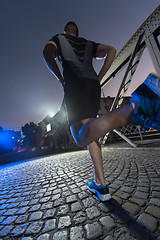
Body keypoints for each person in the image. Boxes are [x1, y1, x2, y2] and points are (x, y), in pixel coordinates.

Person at [43, 21, 160, 201]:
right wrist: (100, 76)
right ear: (77, 32)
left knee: (81, 137)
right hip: (92, 86)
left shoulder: (59, 38)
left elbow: (47, 52)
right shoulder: (88, 43)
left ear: (65, 31)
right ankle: (100, 183)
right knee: (92, 132)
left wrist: (61, 78)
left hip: (75, 84)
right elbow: (112, 50)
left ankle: (133, 108)